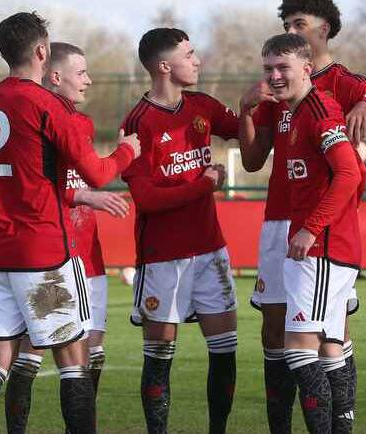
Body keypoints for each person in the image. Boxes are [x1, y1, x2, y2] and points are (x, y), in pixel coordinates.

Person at [0, 13, 138, 434]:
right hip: (42, 256)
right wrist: (126, 151)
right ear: (42, 52)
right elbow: (97, 173)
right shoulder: (46, 105)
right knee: (73, 361)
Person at [248, 2, 366, 430]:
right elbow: (251, 160)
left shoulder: (343, 85)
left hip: (323, 226)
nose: (292, 29)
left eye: (299, 23)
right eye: (286, 24)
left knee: (325, 336)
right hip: (279, 217)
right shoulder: (276, 85)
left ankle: (338, 423)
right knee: (276, 332)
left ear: (325, 29)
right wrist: (247, 110)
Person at [3, 41, 133, 434]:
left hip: (88, 256)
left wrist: (85, 194)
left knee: (92, 349)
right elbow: (38, 187)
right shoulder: (34, 121)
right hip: (52, 254)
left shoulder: (83, 123)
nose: (89, 81)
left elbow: (75, 179)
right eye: (82, 73)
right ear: (54, 76)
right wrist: (117, 162)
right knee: (32, 352)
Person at [240, 33, 361, 433]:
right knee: (327, 351)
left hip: (323, 249)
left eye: (283, 68)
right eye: (269, 69)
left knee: (299, 351)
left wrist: (310, 229)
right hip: (315, 249)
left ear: (307, 69)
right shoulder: (294, 111)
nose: (274, 76)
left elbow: (349, 173)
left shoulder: (320, 109)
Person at [122, 28, 239, 434]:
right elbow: (147, 199)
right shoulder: (138, 123)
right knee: (159, 356)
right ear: (165, 66)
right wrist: (203, 186)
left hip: (210, 250)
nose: (198, 60)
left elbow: (251, 134)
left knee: (225, 352)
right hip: (162, 257)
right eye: (189, 54)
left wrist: (256, 104)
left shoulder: (205, 105)